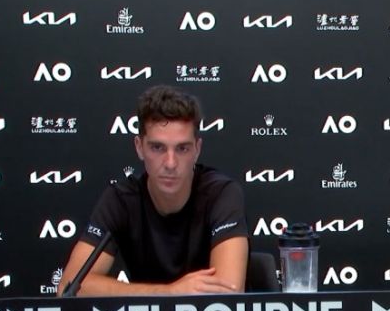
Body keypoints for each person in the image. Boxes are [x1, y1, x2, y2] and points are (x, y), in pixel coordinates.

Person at [57, 85, 249, 296]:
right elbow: (69, 288)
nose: (170, 163)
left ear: (197, 149)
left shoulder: (221, 194)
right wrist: (169, 292)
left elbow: (228, 292)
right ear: (139, 147)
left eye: (182, 148)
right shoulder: (121, 200)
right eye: (157, 147)